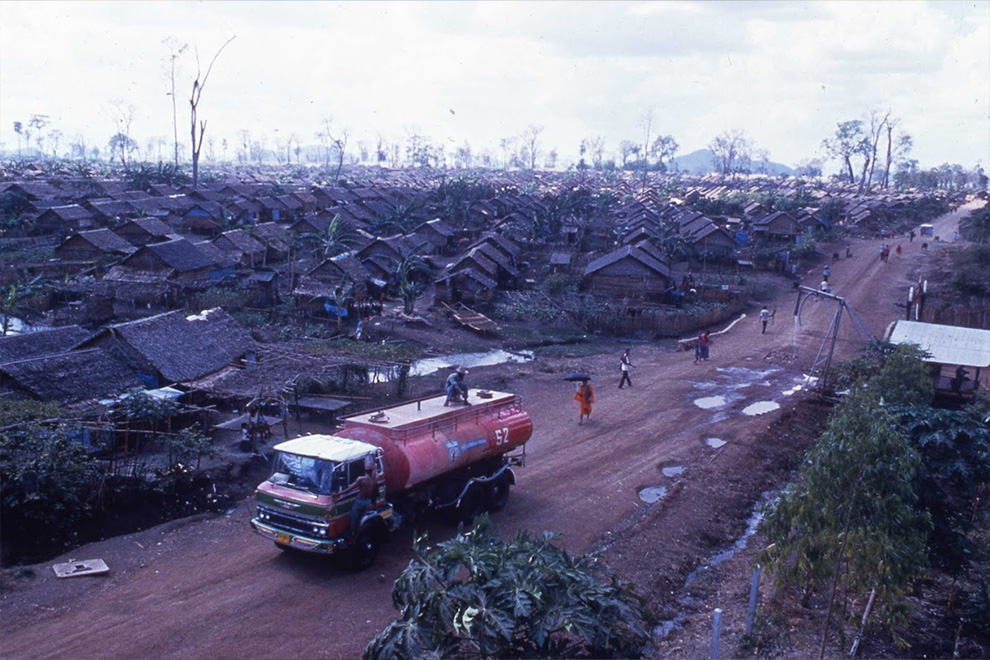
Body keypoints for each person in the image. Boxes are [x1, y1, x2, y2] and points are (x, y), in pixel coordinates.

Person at [348, 456, 378, 537]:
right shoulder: (373, 481)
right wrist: (374, 504)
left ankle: (352, 535)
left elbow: (349, 489)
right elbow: (375, 492)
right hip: (367, 502)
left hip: (359, 501)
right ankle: (359, 534)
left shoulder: (361, 479)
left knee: (353, 518)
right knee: (361, 519)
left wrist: (337, 494)